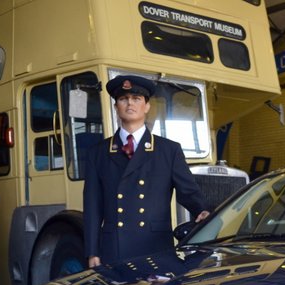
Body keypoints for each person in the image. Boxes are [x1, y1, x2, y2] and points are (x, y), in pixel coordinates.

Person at [83, 74, 209, 268]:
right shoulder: (98, 153)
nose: (130, 104)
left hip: (155, 247)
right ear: (116, 107)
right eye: (123, 99)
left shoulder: (169, 150)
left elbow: (188, 192)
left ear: (147, 106)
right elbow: (92, 207)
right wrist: (92, 252)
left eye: (136, 99)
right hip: (114, 247)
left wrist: (203, 210)